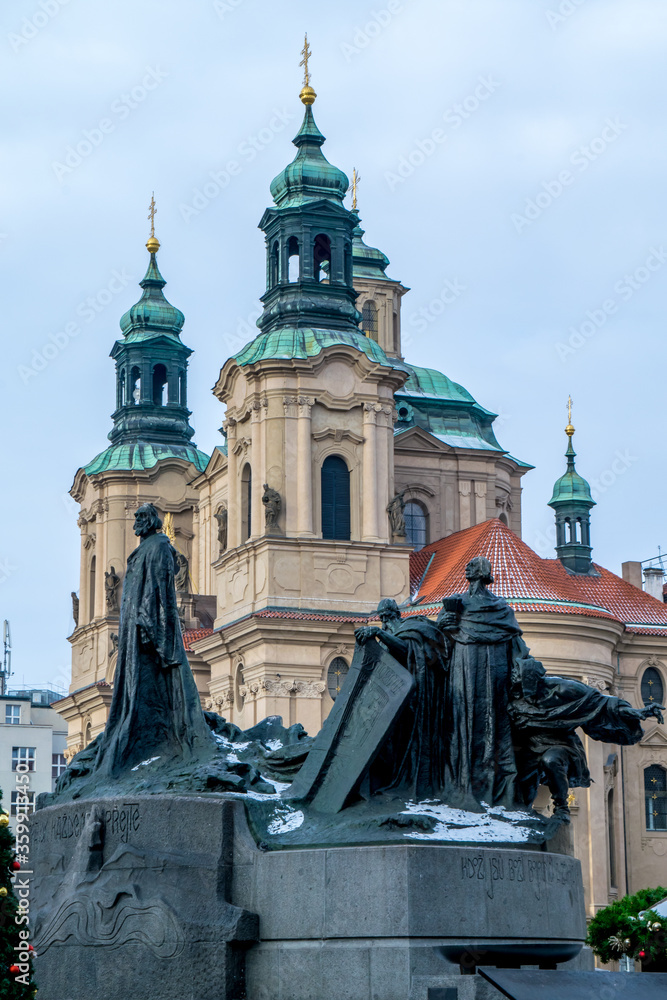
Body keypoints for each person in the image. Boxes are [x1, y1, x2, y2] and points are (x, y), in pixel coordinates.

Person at [94, 503, 213, 777]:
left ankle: (166, 736)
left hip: (148, 629)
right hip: (134, 631)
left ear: (150, 520)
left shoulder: (159, 546)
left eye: (139, 517)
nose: (135, 521)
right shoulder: (145, 548)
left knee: (158, 687)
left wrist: (152, 627)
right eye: (134, 517)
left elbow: (159, 590)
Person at [509, 651, 665, 821]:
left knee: (551, 761)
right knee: (520, 785)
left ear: (534, 681)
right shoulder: (513, 698)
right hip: (530, 746)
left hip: (560, 744)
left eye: (522, 687)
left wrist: (636, 712)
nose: (519, 694)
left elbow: (604, 703)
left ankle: (561, 808)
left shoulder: (564, 689)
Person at [436, 556, 521, 810]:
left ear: (481, 573)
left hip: (493, 670)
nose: (467, 568)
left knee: (492, 724)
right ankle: (460, 784)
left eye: (471, 567)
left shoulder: (499, 606)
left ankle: (492, 790)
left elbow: (514, 642)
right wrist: (443, 625)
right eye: (468, 566)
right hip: (463, 666)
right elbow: (439, 638)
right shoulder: (456, 604)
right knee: (461, 721)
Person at [355, 598, 450, 800]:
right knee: (386, 744)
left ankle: (397, 784)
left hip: (413, 700)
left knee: (399, 744)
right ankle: (378, 785)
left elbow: (407, 651)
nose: (383, 623)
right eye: (381, 620)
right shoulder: (390, 634)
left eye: (385, 618)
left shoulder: (409, 630)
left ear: (391, 616)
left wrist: (378, 633)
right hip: (393, 700)